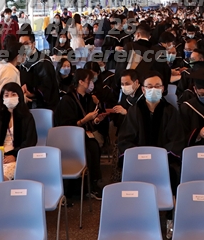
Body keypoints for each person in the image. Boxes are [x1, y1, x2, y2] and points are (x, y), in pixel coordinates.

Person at [116, 72, 185, 192]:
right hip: (138, 161)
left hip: (164, 162)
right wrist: (141, 157)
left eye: (157, 86)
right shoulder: (134, 111)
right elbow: (125, 139)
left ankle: (166, 202)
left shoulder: (171, 111)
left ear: (163, 88)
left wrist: (159, 158)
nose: (154, 89)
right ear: (143, 89)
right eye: (149, 86)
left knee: (172, 172)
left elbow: (176, 139)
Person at [55, 68, 108, 200]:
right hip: (69, 138)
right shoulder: (67, 100)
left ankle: (93, 184)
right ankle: (80, 189)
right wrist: (84, 120)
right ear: (81, 82)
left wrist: (95, 120)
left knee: (94, 147)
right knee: (87, 152)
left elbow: (90, 121)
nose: (91, 84)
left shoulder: (89, 98)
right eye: (89, 81)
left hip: (84, 135)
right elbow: (66, 125)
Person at [0, 82, 37, 181]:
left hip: (18, 157)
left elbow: (30, 141)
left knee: (0, 178)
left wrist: (15, 155)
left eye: (13, 95)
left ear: (19, 96)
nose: (9, 98)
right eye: (6, 95)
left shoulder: (27, 117)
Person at [18, 29, 61, 111]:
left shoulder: (44, 61)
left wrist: (32, 94)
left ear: (33, 44)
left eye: (26, 44)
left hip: (45, 106)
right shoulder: (22, 62)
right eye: (21, 44)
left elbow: (47, 87)